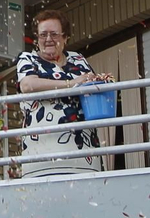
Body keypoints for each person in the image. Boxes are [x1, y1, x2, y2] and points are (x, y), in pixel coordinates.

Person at [15, 9, 106, 173]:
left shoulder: (78, 59)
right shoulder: (28, 59)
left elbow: (93, 84)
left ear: (65, 37)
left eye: (54, 34)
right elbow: (28, 85)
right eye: (43, 35)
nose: (48, 39)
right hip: (41, 154)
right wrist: (70, 84)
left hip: (84, 152)